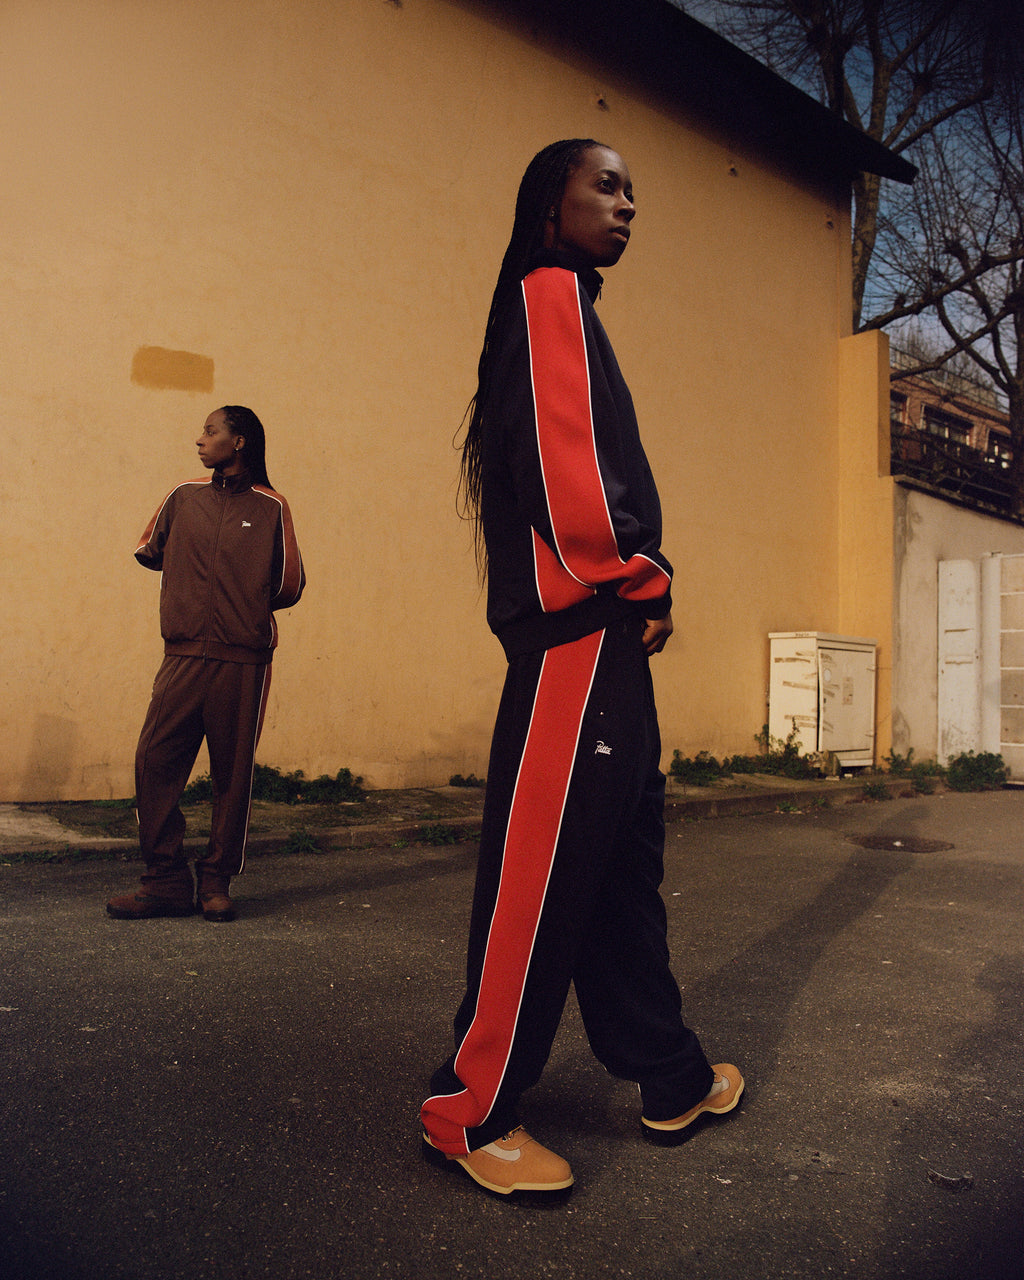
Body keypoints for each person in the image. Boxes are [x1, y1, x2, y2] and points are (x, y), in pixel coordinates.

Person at [420, 140, 743, 1196]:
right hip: (578, 639)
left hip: (599, 643)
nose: (627, 203)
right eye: (606, 184)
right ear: (548, 207)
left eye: (633, 190)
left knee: (616, 865)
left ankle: (668, 1074)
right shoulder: (548, 290)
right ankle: (470, 1109)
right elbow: (570, 475)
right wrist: (640, 578)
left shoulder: (566, 304)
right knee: (545, 873)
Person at [106, 406, 305, 923]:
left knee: (232, 776)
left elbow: (289, 584)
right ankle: (165, 881)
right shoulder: (183, 496)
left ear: (239, 441)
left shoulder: (271, 506)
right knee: (154, 760)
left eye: (210, 431)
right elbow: (150, 550)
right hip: (183, 653)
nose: (199, 439)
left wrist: (242, 608)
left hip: (242, 659)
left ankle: (216, 882)